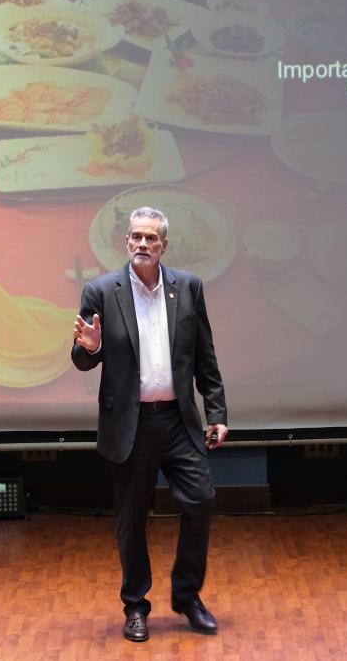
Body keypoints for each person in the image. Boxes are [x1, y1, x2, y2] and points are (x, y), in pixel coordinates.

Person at [71, 206, 229, 642]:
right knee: (132, 518)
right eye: (136, 237)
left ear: (164, 245)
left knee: (201, 500)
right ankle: (136, 606)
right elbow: (82, 359)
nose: (142, 244)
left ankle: (187, 597)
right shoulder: (102, 290)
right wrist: (92, 347)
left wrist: (216, 412)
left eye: (151, 238)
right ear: (126, 242)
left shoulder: (188, 287)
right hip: (132, 423)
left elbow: (205, 356)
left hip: (178, 420)